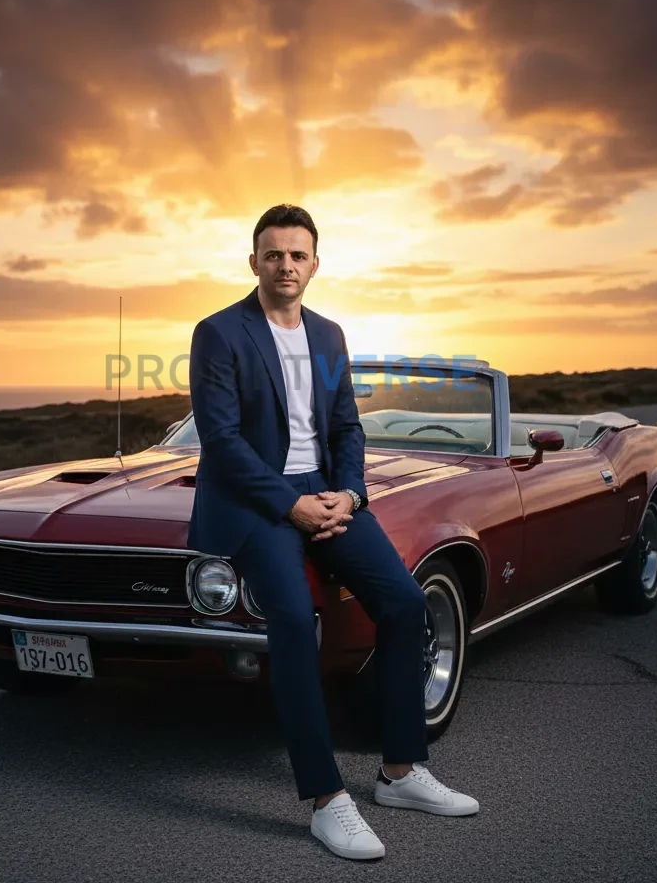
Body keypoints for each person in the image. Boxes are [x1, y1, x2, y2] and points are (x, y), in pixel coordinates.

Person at [187, 204, 479, 860]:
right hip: (254, 502)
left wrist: (349, 493)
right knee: (294, 620)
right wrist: (291, 507)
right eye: (273, 254)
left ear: (315, 264)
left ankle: (400, 772)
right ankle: (326, 799)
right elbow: (222, 442)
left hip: (325, 492)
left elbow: (347, 427)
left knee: (404, 602)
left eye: (297, 255)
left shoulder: (328, 335)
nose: (285, 265)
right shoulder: (219, 333)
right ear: (254, 262)